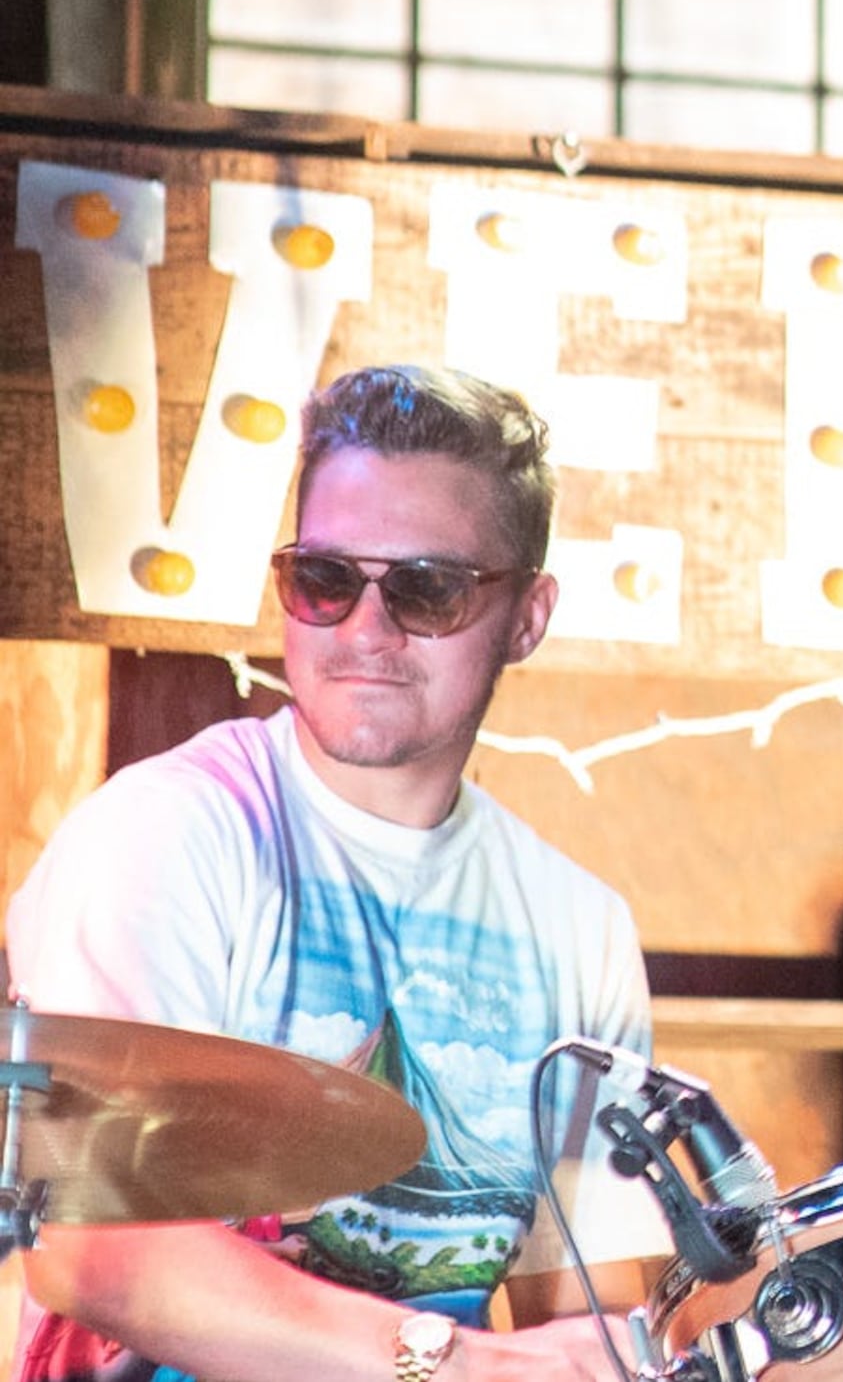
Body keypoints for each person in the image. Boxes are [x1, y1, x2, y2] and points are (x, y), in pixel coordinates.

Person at [11, 364, 662, 1382]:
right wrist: (455, 1362)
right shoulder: (169, 833)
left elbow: (592, 1319)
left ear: (528, 616)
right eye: (325, 579)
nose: (365, 628)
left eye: (427, 588)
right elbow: (100, 1253)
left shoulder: (580, 927)